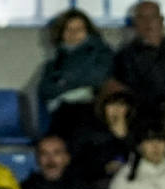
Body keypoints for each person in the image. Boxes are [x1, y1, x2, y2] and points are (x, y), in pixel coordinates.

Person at [38, 9, 115, 142]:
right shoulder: (54, 63)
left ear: (88, 31)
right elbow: (45, 90)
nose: (73, 34)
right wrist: (78, 81)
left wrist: (62, 80)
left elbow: (97, 79)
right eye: (69, 29)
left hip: (91, 111)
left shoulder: (102, 53)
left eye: (79, 29)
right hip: (62, 113)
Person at [74, 90, 138, 189]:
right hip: (99, 184)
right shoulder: (91, 132)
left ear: (128, 109)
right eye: (111, 104)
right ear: (104, 108)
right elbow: (82, 163)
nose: (116, 109)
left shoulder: (137, 133)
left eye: (121, 105)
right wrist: (104, 168)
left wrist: (124, 136)